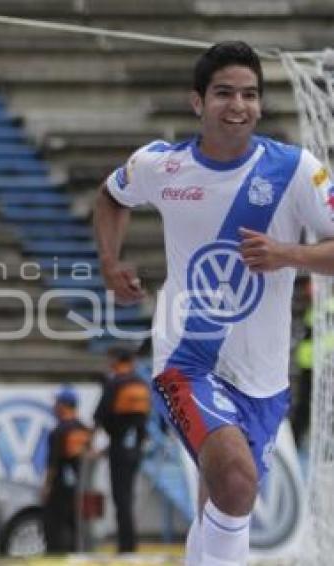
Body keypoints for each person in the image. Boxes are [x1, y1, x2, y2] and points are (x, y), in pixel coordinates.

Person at [93, 40, 334, 566]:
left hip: (265, 377)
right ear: (197, 102)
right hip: (188, 360)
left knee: (224, 500)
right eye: (224, 92)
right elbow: (112, 196)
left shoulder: (295, 170)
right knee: (234, 480)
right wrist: (110, 263)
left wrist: (287, 253)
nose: (238, 105)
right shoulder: (162, 165)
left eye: (249, 94)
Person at [93, 346, 151, 553]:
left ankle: (126, 545)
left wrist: (94, 444)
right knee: (129, 496)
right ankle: (130, 542)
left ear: (117, 360)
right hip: (135, 447)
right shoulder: (141, 385)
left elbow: (100, 417)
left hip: (119, 448)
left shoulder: (114, 383)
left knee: (121, 497)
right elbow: (141, 421)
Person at [42, 387, 92, 554]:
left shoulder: (58, 431)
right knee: (76, 526)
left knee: (55, 528)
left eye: (57, 403)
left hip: (60, 489)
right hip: (81, 488)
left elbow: (53, 464)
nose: (54, 407)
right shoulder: (84, 429)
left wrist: (46, 487)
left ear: (64, 405)